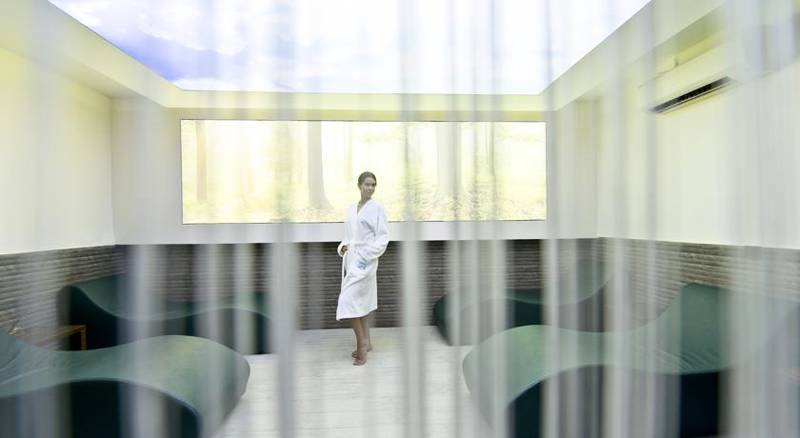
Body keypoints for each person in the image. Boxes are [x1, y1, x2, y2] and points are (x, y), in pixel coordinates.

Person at [337, 171, 389, 366]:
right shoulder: (351, 209)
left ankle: (362, 345)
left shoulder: (377, 209)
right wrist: (343, 246)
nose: (370, 187)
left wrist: (365, 256)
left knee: (348, 301)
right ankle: (368, 341)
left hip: (365, 262)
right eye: (367, 184)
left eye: (373, 184)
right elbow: (349, 235)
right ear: (359, 185)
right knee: (361, 302)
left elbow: (382, 238)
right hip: (352, 260)